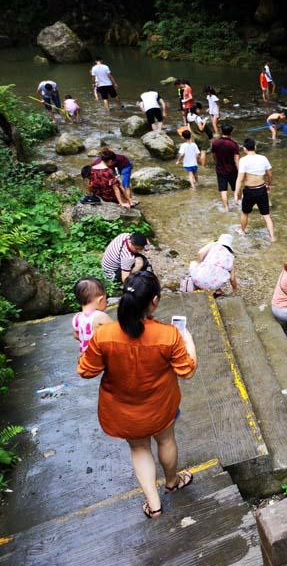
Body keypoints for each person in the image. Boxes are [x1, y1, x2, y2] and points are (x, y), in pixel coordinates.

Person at [77, 271, 197, 518]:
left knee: (139, 449)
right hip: (161, 407)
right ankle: (172, 482)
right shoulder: (169, 335)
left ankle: (154, 505)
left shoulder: (104, 334)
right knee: (166, 440)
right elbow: (187, 371)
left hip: (123, 411)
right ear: (154, 301)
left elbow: (86, 371)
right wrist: (188, 340)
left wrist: (86, 346)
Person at [235, 138, 275, 241]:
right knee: (266, 215)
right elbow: (270, 174)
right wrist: (269, 184)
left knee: (245, 213)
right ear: (255, 147)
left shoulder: (243, 160)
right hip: (262, 189)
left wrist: (236, 194)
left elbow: (240, 179)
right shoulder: (263, 158)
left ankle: (242, 231)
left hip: (249, 191)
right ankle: (273, 237)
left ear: (244, 149)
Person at [71, 277, 113, 355]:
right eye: (105, 300)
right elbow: (116, 333)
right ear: (100, 300)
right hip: (98, 359)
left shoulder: (76, 318)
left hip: (84, 358)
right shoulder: (100, 316)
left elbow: (76, 335)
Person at [211, 123, 240, 211]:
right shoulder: (233, 144)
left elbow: (213, 155)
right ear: (231, 132)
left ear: (221, 131)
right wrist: (240, 171)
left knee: (223, 190)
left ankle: (226, 208)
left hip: (220, 170)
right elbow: (237, 159)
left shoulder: (215, 143)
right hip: (232, 170)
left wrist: (216, 162)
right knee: (236, 188)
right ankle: (239, 204)